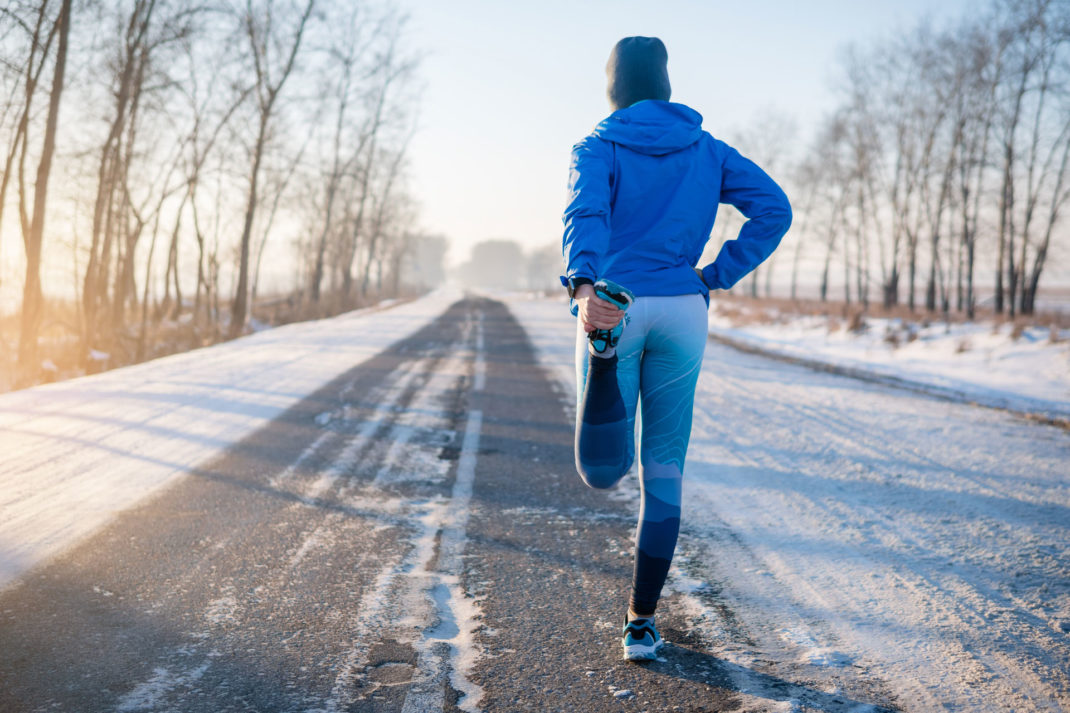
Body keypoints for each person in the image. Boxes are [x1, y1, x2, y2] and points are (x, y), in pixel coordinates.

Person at [561, 36, 792, 661]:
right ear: (664, 85)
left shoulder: (598, 146)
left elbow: (586, 215)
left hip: (614, 303)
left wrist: (583, 287)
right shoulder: (708, 149)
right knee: (665, 471)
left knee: (602, 471)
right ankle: (641, 623)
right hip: (684, 311)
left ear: (614, 87)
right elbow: (774, 209)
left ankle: (604, 358)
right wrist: (714, 275)